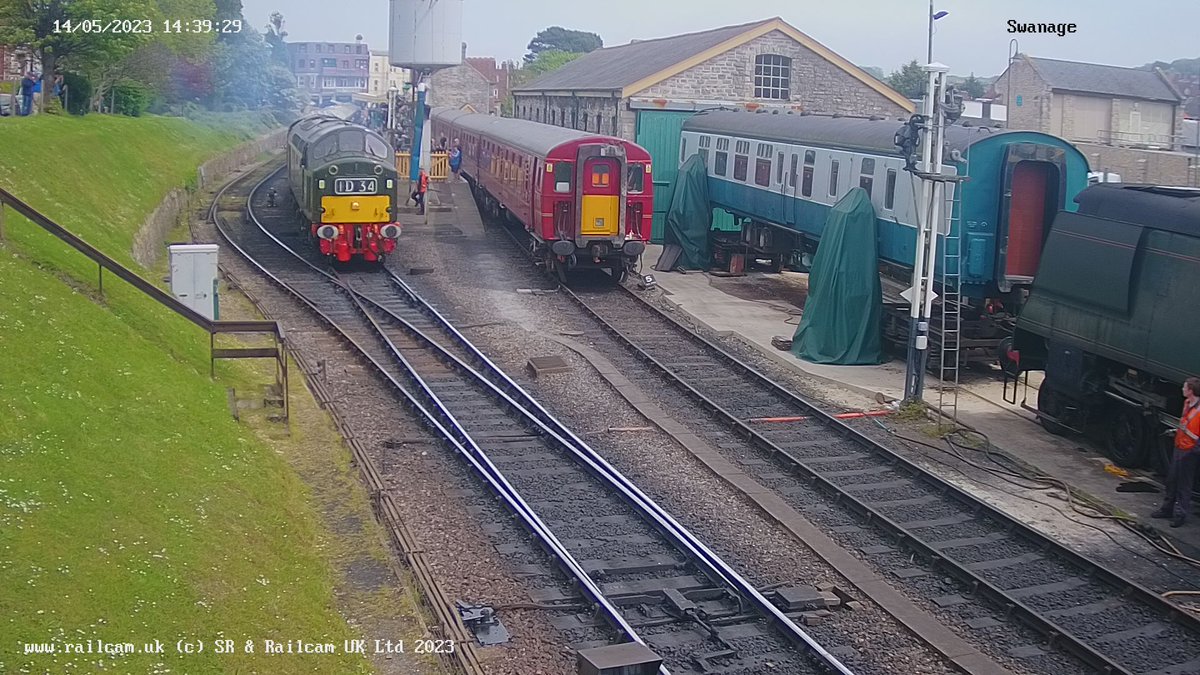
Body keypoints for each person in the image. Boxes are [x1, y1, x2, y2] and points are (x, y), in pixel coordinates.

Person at [1153, 376, 1200, 528]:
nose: (1182, 389)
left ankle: (1180, 515)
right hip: (1180, 445)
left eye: (1185, 387)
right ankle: (1167, 509)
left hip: (1190, 450)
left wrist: (1187, 433)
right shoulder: (1187, 403)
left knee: (1184, 484)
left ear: (1190, 390)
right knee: (1172, 480)